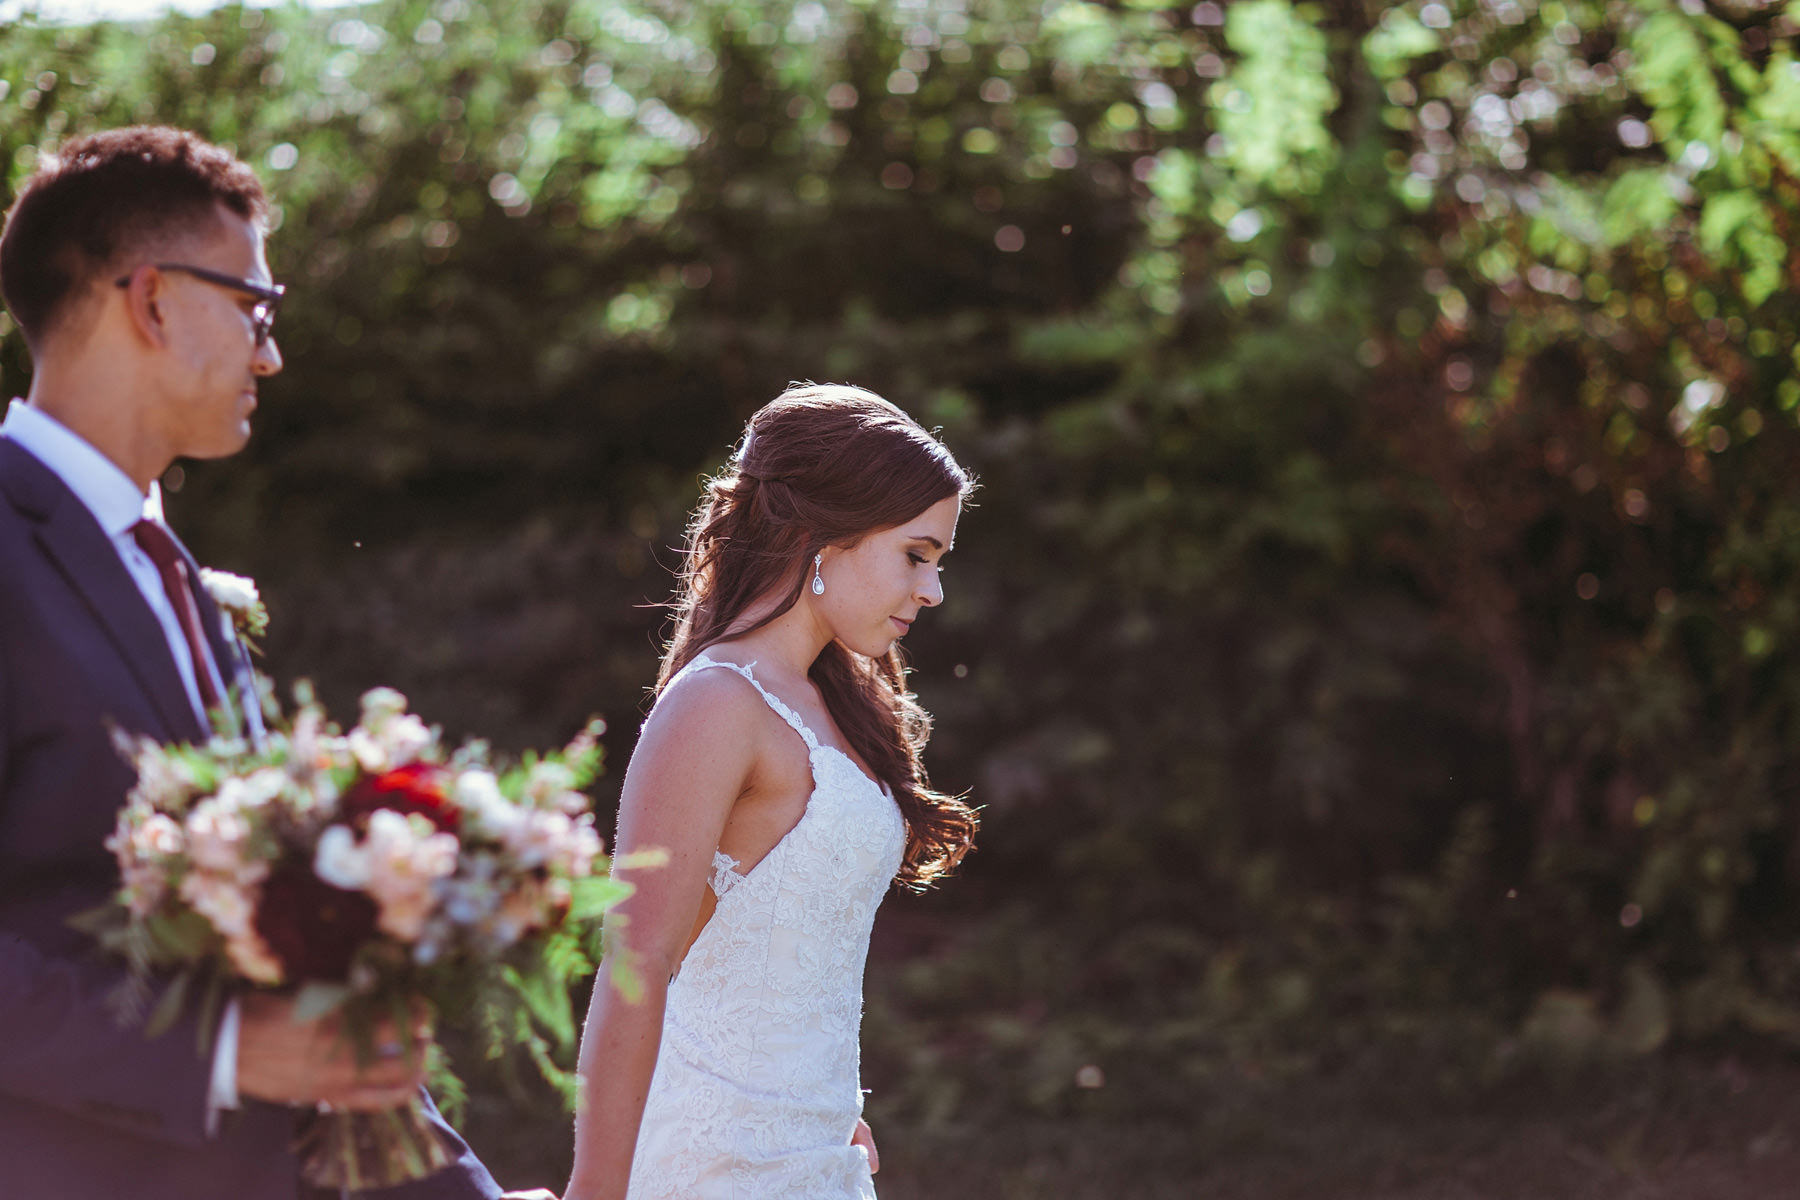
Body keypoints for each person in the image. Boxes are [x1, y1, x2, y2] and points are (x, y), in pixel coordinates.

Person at [0, 127, 545, 1199]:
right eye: (255, 308)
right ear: (152, 300)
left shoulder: (179, 584)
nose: (271, 353)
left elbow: (303, 1015)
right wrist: (216, 1052)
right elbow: (242, 1036)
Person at [564, 383, 980, 1199]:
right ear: (822, 537)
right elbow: (635, 970)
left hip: (816, 1161)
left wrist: (823, 1104)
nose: (930, 591)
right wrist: (594, 1192)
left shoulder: (833, 698)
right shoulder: (716, 703)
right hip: (713, 1167)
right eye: (915, 555)